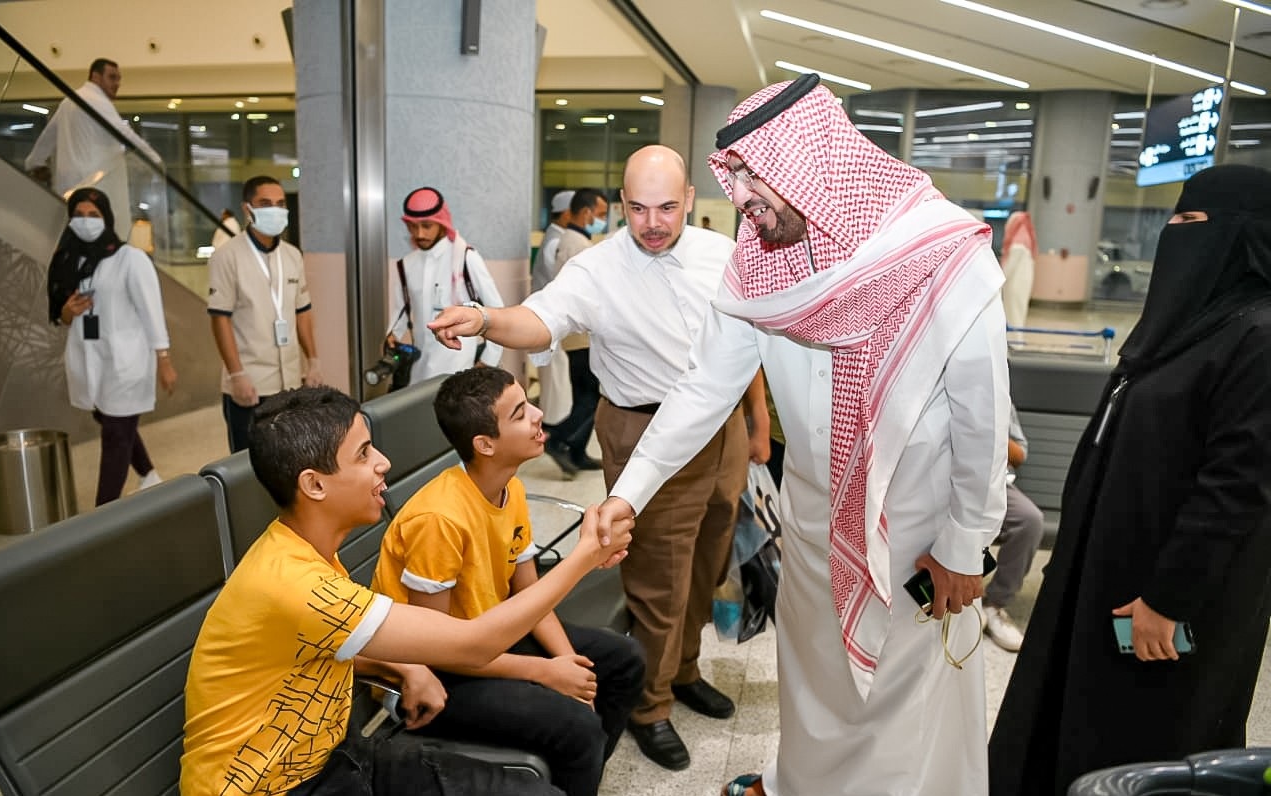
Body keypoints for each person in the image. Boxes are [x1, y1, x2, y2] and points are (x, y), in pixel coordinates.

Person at [595, 74, 1009, 796]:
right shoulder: (759, 263)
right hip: (812, 523)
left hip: (913, 532)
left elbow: (982, 414)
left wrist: (963, 543)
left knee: (893, 703)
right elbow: (703, 389)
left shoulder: (939, 252)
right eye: (737, 180)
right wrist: (629, 492)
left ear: (811, 162)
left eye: (757, 178)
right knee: (814, 686)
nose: (743, 199)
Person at [428, 144, 751, 772]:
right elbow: (540, 320)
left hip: (725, 429)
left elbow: (748, 340)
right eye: (637, 208)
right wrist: (484, 318)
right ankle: (650, 707)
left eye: (665, 207)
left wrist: (757, 425)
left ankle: (683, 671)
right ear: (620, 204)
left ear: (689, 199)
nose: (652, 222)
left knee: (710, 561)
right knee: (658, 579)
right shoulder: (597, 268)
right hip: (641, 426)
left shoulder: (725, 254)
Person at [180, 385, 633, 796]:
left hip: (331, 757)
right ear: (313, 484)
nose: (383, 462)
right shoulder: (294, 583)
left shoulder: (306, 551)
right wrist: (585, 556)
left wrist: (403, 668)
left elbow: (315, 647)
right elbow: (473, 645)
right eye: (362, 454)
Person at [989, 164, 1271, 795]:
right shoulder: (1193, 326)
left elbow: (1237, 491)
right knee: (1075, 717)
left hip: (1164, 606)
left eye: (1190, 222)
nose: (1173, 233)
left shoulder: (1257, 336)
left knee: (1140, 735)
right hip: (1111, 575)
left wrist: (1170, 601)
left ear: (1242, 237)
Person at [371, 367, 645, 796]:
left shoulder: (510, 489)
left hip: (492, 634)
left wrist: (570, 667)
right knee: (578, 728)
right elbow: (438, 649)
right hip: (438, 672)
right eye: (520, 413)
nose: (538, 415)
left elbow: (530, 595)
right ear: (484, 444)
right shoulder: (439, 520)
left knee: (623, 661)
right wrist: (544, 672)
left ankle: (572, 776)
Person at [46, 186, 176, 506]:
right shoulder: (67, 258)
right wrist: (66, 312)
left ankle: (103, 514)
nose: (85, 221)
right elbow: (59, 314)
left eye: (94, 215)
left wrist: (164, 358)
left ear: (107, 218)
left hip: (126, 361)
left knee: (116, 433)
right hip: (89, 357)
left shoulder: (129, 259)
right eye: (78, 214)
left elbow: (151, 310)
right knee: (110, 419)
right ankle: (148, 475)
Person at [207, 175, 323, 453]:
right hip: (251, 382)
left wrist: (313, 360)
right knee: (246, 465)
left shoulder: (292, 255)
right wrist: (237, 374)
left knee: (288, 457)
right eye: (265, 203)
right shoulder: (227, 257)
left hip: (290, 382)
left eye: (280, 203)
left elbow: (302, 312)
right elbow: (219, 318)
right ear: (248, 209)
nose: (275, 209)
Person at [26, 58, 163, 238]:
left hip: (68, 188)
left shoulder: (68, 102)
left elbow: (47, 139)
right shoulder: (95, 99)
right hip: (97, 185)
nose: (117, 84)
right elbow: (123, 132)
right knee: (103, 238)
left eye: (118, 79)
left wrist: (33, 163)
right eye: (112, 77)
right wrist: (155, 160)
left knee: (72, 238)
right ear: (96, 77)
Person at [384, 187, 505, 387]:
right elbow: (400, 312)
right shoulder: (405, 265)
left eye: (426, 226)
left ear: (442, 223)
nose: (419, 233)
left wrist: (487, 362)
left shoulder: (466, 258)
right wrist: (392, 336)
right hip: (419, 371)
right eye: (412, 227)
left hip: (462, 369)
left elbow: (496, 312)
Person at [543, 188, 609, 475]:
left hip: (579, 333)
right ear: (586, 213)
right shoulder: (577, 244)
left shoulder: (576, 240)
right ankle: (556, 439)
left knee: (588, 395)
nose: (603, 220)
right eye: (602, 214)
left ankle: (578, 451)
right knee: (591, 396)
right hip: (580, 333)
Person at [981, 403, 1045, 652]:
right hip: (943, 479)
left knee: (1029, 520)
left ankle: (994, 604)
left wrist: (991, 434)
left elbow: (1019, 454)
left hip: (993, 483)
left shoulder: (999, 396)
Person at [534, 190, 575, 429]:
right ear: (569, 213)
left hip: (549, 320)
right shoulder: (557, 241)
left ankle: (552, 423)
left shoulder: (553, 236)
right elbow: (559, 282)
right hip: (549, 319)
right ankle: (551, 426)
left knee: (555, 376)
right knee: (553, 378)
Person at [999, 210, 1037, 328]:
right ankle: (1016, 341)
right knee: (1018, 313)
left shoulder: (1018, 245)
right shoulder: (1027, 241)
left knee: (1013, 315)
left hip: (1015, 285)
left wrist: (998, 281)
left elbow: (1008, 269)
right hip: (1021, 285)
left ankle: (1016, 343)